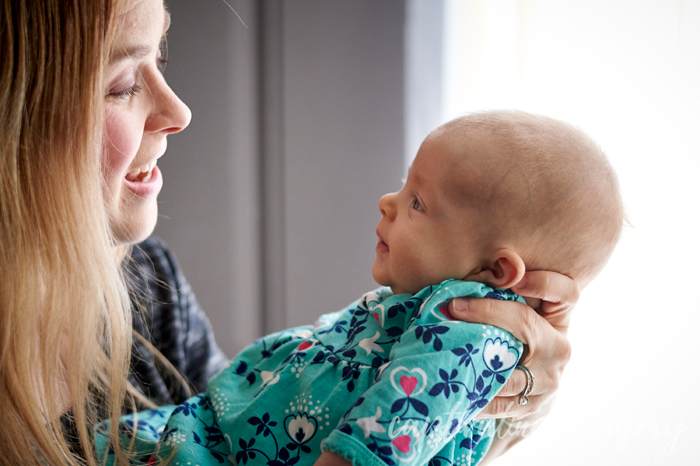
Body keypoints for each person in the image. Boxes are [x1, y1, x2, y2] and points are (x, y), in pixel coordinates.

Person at [0, 0, 580, 465]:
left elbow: (252, 433)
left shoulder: (151, 283)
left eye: (162, 58)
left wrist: (496, 419)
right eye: (124, 81)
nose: (179, 110)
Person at [96, 110, 622, 466]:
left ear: (497, 272)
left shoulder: (468, 332)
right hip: (212, 433)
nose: (386, 203)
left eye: (418, 202)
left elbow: (385, 439)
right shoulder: (427, 312)